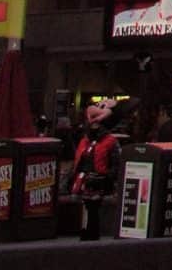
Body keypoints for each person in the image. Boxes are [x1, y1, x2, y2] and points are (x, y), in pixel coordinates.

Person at [67, 101, 123, 241]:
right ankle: (87, 230)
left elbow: (116, 163)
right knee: (87, 206)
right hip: (85, 180)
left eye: (97, 124)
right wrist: (74, 176)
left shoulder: (110, 141)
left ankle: (92, 232)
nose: (94, 126)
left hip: (99, 181)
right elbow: (79, 160)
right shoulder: (85, 140)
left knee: (93, 208)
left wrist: (107, 177)